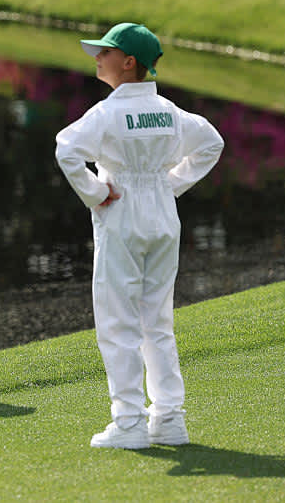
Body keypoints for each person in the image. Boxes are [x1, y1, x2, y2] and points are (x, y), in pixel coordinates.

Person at [54, 22, 224, 449]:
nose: (96, 56)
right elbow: (212, 143)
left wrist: (94, 193)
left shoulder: (109, 112)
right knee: (157, 321)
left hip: (123, 211)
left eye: (106, 51)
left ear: (128, 63)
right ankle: (168, 419)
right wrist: (171, 186)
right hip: (163, 215)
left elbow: (66, 148)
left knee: (118, 321)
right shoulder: (168, 110)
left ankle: (129, 422)